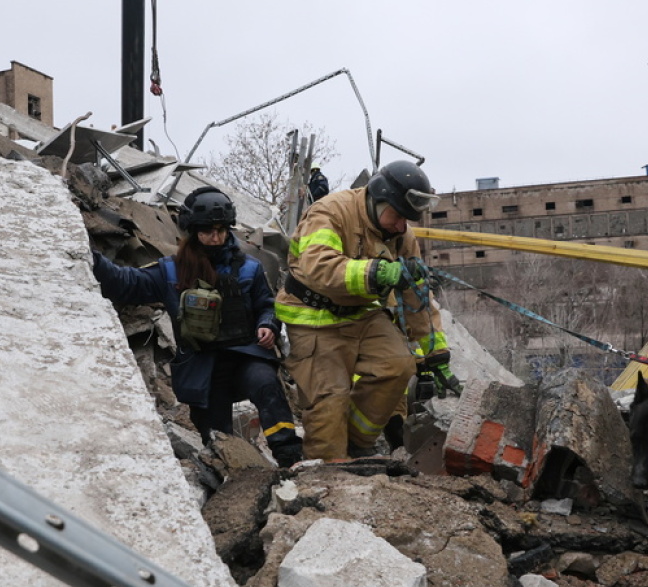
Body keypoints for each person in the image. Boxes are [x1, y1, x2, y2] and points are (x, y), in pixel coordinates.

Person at [91, 186, 304, 467]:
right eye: (207, 231)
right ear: (193, 231)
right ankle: (232, 479)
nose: (215, 238)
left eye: (221, 230)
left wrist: (268, 325)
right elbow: (124, 284)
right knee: (217, 440)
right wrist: (90, 256)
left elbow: (267, 305)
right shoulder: (170, 271)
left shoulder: (249, 268)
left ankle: (290, 459)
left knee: (266, 385)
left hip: (246, 357)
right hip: (203, 367)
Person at [275, 160, 462, 461]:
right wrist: (377, 273)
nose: (402, 226)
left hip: (361, 314)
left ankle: (357, 443)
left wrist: (435, 354)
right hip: (313, 317)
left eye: (407, 220)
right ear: (378, 200)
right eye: (398, 216)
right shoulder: (331, 212)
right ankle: (330, 468)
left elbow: (416, 297)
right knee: (329, 404)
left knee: (400, 365)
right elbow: (318, 267)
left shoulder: (401, 235)